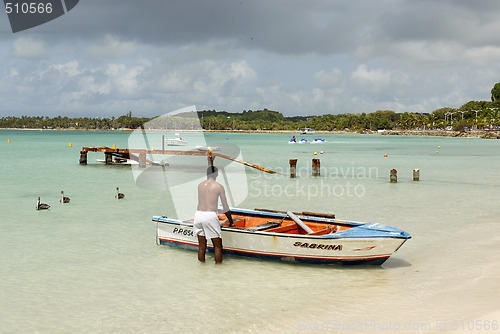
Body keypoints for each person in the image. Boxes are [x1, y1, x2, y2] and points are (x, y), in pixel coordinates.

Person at [193, 166, 233, 263]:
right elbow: (225, 206)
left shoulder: (200, 185)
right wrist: (231, 221)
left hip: (198, 214)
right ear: (217, 174)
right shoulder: (218, 186)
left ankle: (202, 270)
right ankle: (218, 271)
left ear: (206, 174)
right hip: (209, 215)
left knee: (202, 247)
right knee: (218, 246)